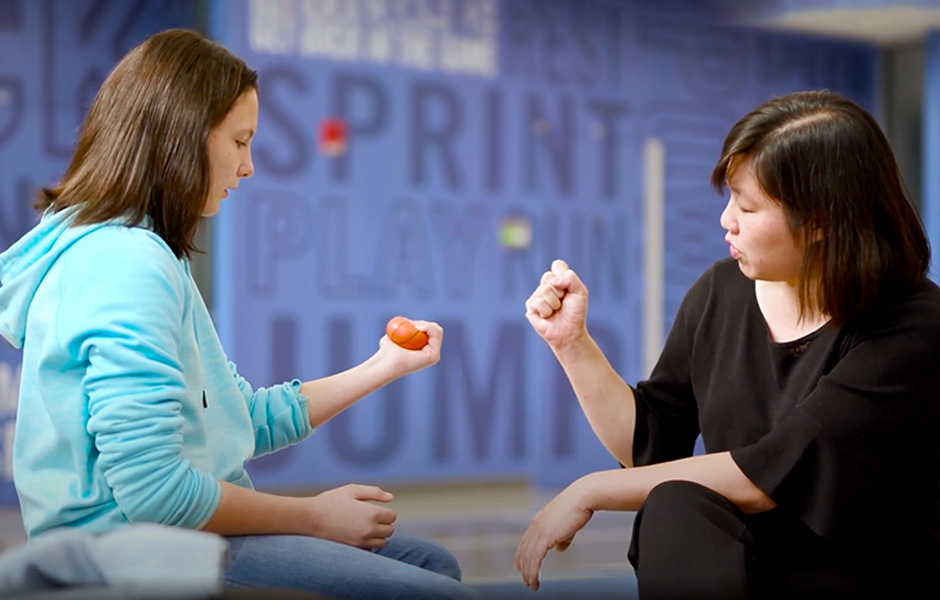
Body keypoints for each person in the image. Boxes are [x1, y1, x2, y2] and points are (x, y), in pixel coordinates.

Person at [0, 28, 480, 600]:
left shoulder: (140, 252)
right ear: (182, 137)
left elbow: (240, 421)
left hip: (169, 537)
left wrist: (385, 365)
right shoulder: (126, 264)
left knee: (430, 563)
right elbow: (156, 494)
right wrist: (314, 517)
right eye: (240, 141)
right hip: (133, 555)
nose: (249, 167)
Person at [516, 90, 940, 599]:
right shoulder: (722, 289)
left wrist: (588, 490)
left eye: (748, 205)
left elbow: (773, 475)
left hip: (862, 573)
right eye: (730, 199)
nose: (727, 221)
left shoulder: (915, 323)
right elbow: (651, 447)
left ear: (823, 220)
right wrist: (572, 344)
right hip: (743, 561)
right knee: (674, 502)